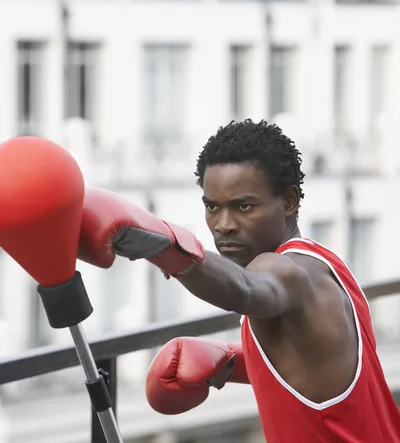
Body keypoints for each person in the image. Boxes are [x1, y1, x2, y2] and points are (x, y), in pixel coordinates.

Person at [78, 119, 400, 442]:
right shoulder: (327, 266)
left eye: (243, 206)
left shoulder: (286, 273)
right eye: (212, 207)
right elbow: (312, 365)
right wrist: (230, 361)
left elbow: (246, 289)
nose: (224, 225)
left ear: (289, 201)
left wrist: (159, 243)